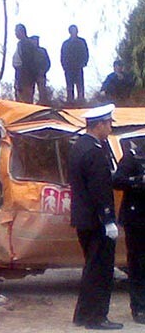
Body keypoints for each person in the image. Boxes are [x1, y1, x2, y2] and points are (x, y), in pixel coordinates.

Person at [68, 104, 123, 330]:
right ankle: (97, 318)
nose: (110, 127)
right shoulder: (94, 151)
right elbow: (100, 189)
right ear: (99, 124)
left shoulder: (79, 146)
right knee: (101, 271)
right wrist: (109, 219)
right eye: (108, 123)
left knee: (91, 268)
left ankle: (83, 315)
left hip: (84, 218)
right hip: (96, 220)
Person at [113, 142, 145, 325]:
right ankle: (139, 308)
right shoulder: (134, 157)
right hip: (137, 220)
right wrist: (139, 181)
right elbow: (117, 181)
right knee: (138, 265)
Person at [61, 25, 89, 104]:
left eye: (75, 30)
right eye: (72, 30)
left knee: (80, 86)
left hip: (78, 67)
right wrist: (64, 66)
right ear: (69, 31)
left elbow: (85, 52)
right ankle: (70, 102)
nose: (74, 31)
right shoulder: (66, 43)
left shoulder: (81, 41)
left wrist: (84, 63)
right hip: (69, 68)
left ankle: (81, 101)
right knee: (70, 87)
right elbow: (63, 55)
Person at [12, 24, 37, 103]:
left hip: (25, 78)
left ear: (21, 31)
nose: (15, 33)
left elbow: (27, 62)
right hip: (21, 75)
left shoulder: (25, 44)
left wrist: (24, 79)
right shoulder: (21, 43)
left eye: (16, 31)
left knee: (24, 100)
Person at [30, 35, 51, 105]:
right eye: (34, 40)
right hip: (31, 75)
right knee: (30, 92)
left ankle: (43, 104)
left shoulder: (43, 51)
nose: (36, 42)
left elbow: (48, 62)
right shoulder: (29, 52)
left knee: (42, 91)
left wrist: (44, 70)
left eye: (37, 40)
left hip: (41, 74)